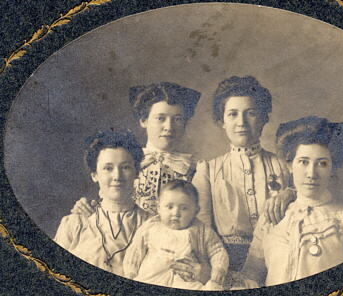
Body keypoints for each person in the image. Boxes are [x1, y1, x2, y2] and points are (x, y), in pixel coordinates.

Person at [240, 116, 343, 287]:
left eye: (322, 164)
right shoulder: (272, 215)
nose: (311, 173)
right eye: (303, 162)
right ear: (289, 165)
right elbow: (251, 274)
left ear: (333, 168)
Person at [192, 76, 293, 272]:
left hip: (280, 258)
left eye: (251, 113)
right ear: (222, 121)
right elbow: (201, 232)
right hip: (227, 264)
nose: (241, 122)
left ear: (264, 118)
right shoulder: (208, 171)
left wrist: (291, 192)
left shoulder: (284, 165)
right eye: (232, 114)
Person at [72, 82, 201, 217]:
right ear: (143, 120)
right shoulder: (123, 160)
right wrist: (85, 208)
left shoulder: (195, 168)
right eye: (160, 118)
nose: (169, 127)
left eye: (178, 119)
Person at [54, 130, 150, 277]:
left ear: (137, 172)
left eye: (125, 167)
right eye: (108, 168)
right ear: (95, 175)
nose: (117, 176)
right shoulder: (75, 224)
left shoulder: (152, 225)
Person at [123, 180, 229, 290]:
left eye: (184, 208)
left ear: (196, 211)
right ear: (159, 207)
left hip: (186, 280)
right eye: (169, 207)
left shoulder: (201, 231)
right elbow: (135, 252)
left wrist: (219, 269)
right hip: (153, 277)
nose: (176, 213)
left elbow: (217, 251)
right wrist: (130, 273)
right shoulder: (150, 227)